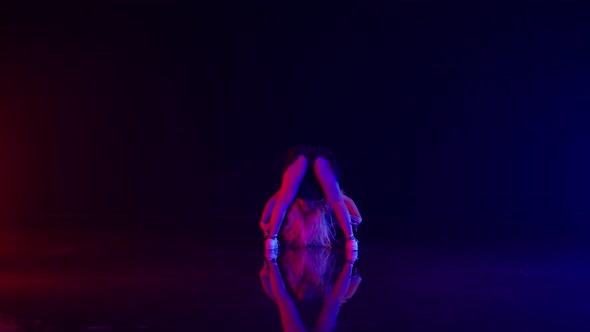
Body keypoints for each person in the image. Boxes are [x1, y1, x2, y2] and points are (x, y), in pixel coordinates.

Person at [259, 145, 362, 250]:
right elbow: (347, 201)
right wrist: (358, 216)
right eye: (309, 205)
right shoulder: (322, 195)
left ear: (298, 204)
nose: (306, 202)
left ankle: (271, 238)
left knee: (283, 200)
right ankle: (351, 239)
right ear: (316, 205)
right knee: (336, 200)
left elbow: (273, 201)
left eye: (302, 204)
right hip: (321, 161)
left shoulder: (296, 193)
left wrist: (263, 221)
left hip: (300, 159)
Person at [259, 247, 362, 332]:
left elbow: (279, 298)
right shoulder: (320, 290)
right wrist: (354, 280)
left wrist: (265, 276)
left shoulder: (301, 289)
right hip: (321, 311)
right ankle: (350, 263)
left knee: (284, 300)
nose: (305, 290)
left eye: (304, 290)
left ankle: (273, 263)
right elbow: (339, 299)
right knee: (334, 300)